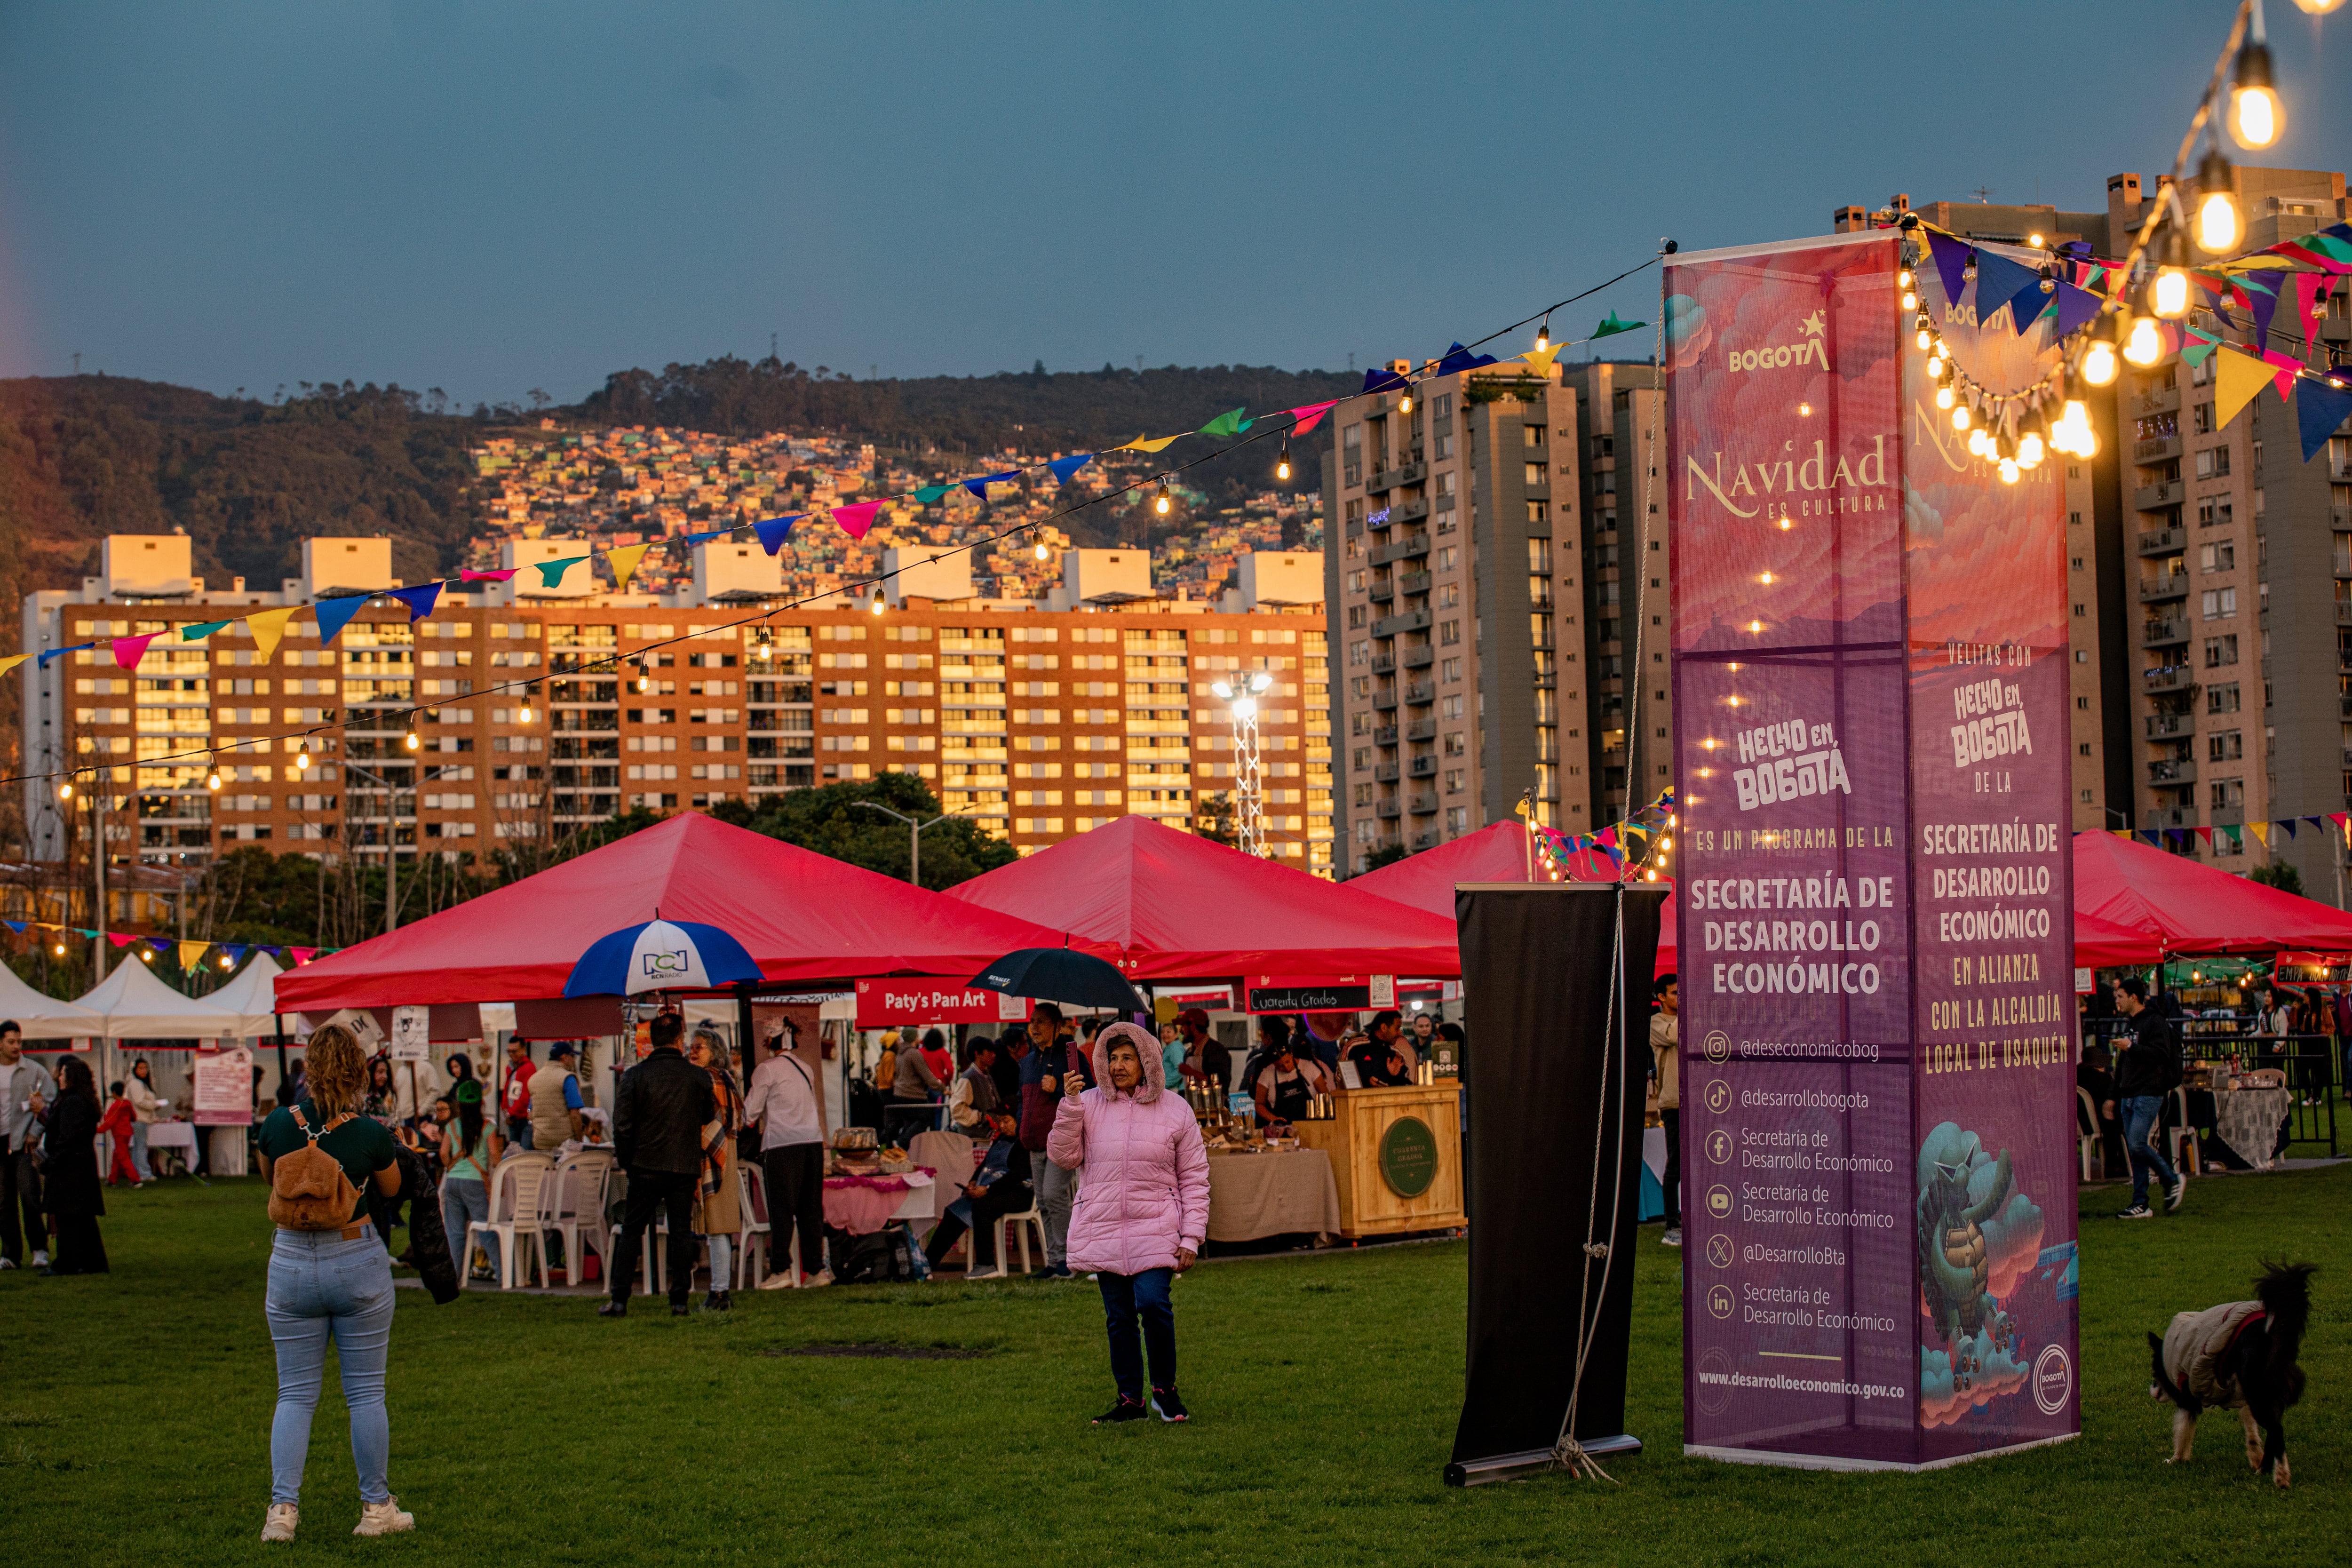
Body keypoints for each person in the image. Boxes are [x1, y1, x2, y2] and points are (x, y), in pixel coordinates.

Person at [254, 1022, 412, 1542]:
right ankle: (375, 1508)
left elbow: (268, 1173)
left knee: (294, 1394)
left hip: (292, 1262)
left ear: (309, 1066)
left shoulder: (278, 1124)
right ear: (359, 1070)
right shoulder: (370, 1132)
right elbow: (392, 1187)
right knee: (365, 1393)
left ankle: (283, 1511)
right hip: (355, 1257)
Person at [1051, 1022, 1208, 1424]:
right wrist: (1068, 1104)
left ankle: (1164, 1392)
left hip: (1156, 1225)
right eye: (1112, 1057)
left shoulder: (1177, 1110)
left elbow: (1195, 1177)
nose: (1118, 1066)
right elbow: (1063, 1156)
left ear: (1148, 1061)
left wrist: (1191, 1236)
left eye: (1127, 1057)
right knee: (1118, 1317)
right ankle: (1130, 1400)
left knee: (1155, 1305)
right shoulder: (1085, 1103)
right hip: (1103, 1226)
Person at [603, 1012, 715, 1317]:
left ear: (652, 1040)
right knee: (680, 1231)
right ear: (680, 1039)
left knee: (631, 1231)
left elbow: (622, 1123)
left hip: (645, 1164)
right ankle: (679, 1300)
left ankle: (620, 1298)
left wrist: (628, 1160)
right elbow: (708, 1115)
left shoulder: (636, 1076)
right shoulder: (698, 1077)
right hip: (682, 1163)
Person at [746, 1020, 829, 1289]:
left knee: (782, 1209)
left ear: (770, 1042)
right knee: (810, 1209)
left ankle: (781, 1269)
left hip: (781, 1144)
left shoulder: (766, 1070)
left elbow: (750, 1114)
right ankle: (816, 1271)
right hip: (812, 1141)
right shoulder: (806, 1068)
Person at [924, 1109, 1034, 1275]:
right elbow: (985, 1164)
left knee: (982, 1207)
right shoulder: (1002, 1138)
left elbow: (1017, 1175)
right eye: (1000, 1122)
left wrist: (988, 1190)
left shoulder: (1026, 1142)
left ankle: (986, 1264)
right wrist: (974, 1182)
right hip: (994, 1190)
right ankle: (927, 1263)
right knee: (955, 1209)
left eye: (1007, 1121)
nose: (1002, 1126)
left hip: (1020, 1194)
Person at [2113, 976, 2185, 1218]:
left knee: (2137, 1144)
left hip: (2149, 1092)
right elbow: (2123, 1064)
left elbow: (2161, 1054)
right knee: (2136, 1150)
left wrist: (2132, 1048)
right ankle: (2141, 1202)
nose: (2117, 1001)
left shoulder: (2155, 1022)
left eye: (2120, 996)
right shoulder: (2130, 1024)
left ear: (2133, 997)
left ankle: (2171, 1179)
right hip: (2129, 1093)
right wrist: (2115, 1095)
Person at [1016, 1004, 1079, 1279]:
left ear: (1056, 1024)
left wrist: (1059, 1091)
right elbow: (1022, 1101)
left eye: (1041, 1021)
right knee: (1042, 1200)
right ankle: (1054, 1261)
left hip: (1062, 1141)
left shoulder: (1070, 1055)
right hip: (1033, 1142)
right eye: (1032, 1021)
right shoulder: (1029, 1062)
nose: (1034, 1027)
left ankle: (1069, 1258)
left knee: (1054, 1195)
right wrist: (1019, 1126)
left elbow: (1087, 1092)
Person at [687, 1029, 743, 1311]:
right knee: (718, 1228)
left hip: (714, 1156)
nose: (692, 1052)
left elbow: (708, 1121)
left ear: (715, 1052)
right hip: (725, 1153)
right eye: (690, 1047)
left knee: (717, 1229)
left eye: (699, 1047)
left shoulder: (709, 1079)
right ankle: (720, 1292)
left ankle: (720, 1293)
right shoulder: (726, 1079)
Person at [36, 1057, 107, 1276]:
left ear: (72, 1077)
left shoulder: (73, 1102)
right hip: (79, 1166)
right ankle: (91, 1262)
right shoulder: (79, 1101)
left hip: (70, 1168)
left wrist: (50, 1162)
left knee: (68, 1218)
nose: (59, 1077)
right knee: (83, 1219)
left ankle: (68, 1262)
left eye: (63, 1074)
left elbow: (67, 1138)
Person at [0, 1022, 57, 1270]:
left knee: (30, 1196)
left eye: (19, 1041)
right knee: (4, 1202)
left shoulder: (34, 1071)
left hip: (24, 1143)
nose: (16, 1046)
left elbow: (51, 1102)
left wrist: (35, 1133)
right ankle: (11, 1254)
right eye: (11, 1042)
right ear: (0, 1043)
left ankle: (39, 1249)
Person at [437, 1081, 502, 1283]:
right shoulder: (488, 1128)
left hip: (454, 1181)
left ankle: (454, 1276)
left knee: (455, 1232)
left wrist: (452, 1165)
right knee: (486, 1230)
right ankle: (503, 1275)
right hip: (475, 1182)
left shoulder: (451, 1126)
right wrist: (497, 1169)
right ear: (481, 1103)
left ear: (458, 1104)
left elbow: (443, 1154)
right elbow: (494, 1155)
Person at [1651, 975, 1682, 1247]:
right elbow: (1674, 1036)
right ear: (1661, 997)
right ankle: (1672, 1227)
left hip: (1699, 1103)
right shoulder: (1655, 1023)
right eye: (1675, 993)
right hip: (1673, 1104)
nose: (1680, 997)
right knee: (1677, 1166)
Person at [1253, 1036, 1333, 1127]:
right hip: (1282, 1129)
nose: (1287, 1068)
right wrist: (1273, 1118)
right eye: (1281, 1066)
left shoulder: (1309, 1068)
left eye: (1288, 1062)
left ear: (1291, 1053)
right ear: (1274, 1064)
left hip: (1311, 1128)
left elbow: (1326, 1098)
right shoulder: (1267, 1074)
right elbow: (1259, 1104)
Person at [528, 1042, 587, 1152]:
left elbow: (530, 1114)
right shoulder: (568, 1079)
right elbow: (575, 1115)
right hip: (564, 1143)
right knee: (567, 1170)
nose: (573, 1060)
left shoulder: (533, 1079)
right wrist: (579, 1141)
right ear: (564, 1058)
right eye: (572, 1056)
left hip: (541, 1142)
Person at [126, 1055, 167, 1181]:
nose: (144, 1071)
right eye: (141, 1068)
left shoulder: (143, 1083)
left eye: (145, 1068)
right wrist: (155, 1105)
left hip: (142, 1119)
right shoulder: (136, 1083)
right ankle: (144, 1173)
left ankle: (136, 1172)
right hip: (139, 1119)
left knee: (139, 1146)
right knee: (141, 1146)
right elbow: (139, 1101)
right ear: (135, 1070)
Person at [950, 1037, 1005, 1130]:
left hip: (989, 1135)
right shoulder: (968, 1078)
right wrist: (980, 1117)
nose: (994, 1055)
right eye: (990, 1052)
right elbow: (957, 1109)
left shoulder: (987, 1076)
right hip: (976, 1137)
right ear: (977, 1054)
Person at [1348, 1013, 1413, 1088]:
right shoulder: (1355, 1047)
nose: (1400, 1033)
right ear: (1384, 1027)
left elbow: (1406, 1087)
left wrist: (1395, 1076)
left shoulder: (1396, 1054)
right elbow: (1341, 1078)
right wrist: (1367, 1083)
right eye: (1397, 1028)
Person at [1175, 1008, 1231, 1094]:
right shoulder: (1189, 1052)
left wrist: (1191, 1072)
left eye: (1183, 1026)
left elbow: (1222, 1084)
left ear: (1192, 1026)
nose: (1182, 1031)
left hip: (1215, 1106)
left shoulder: (1216, 1050)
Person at [99, 1080, 143, 1186]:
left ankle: (135, 1179)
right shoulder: (127, 1104)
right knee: (118, 1155)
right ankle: (112, 1179)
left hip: (119, 1134)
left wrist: (98, 1130)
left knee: (123, 1156)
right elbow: (134, 1117)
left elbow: (110, 1121)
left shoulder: (116, 1106)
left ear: (114, 1093)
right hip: (127, 1133)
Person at [499, 1039, 535, 1148]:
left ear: (523, 1050)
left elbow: (525, 1097)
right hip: (513, 1118)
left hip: (524, 1118)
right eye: (509, 1051)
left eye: (514, 1051)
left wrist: (510, 1113)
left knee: (524, 1154)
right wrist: (505, 1112)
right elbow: (507, 1091)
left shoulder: (529, 1068)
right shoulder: (510, 1068)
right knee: (514, 1153)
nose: (511, 1054)